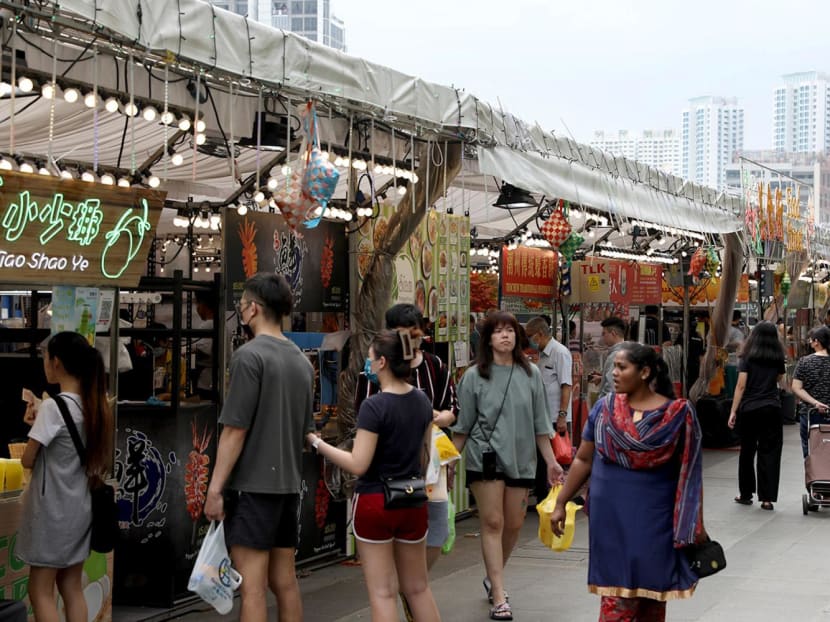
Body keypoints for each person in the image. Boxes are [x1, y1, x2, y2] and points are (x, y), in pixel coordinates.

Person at [551, 342, 703, 622]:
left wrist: (692, 525)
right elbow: (584, 459)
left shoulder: (678, 415)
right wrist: (561, 501)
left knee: (652, 597)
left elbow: (689, 474)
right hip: (610, 519)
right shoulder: (605, 409)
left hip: (656, 519)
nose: (613, 374)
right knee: (615, 598)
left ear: (645, 372)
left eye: (622, 367)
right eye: (613, 367)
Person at [308, 330, 440, 622]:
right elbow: (425, 456)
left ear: (381, 363)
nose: (367, 364)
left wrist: (319, 444)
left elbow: (358, 463)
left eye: (369, 359)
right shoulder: (422, 401)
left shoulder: (374, 406)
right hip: (412, 500)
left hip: (374, 501)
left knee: (382, 593)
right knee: (418, 588)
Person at [204, 273, 315, 622]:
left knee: (251, 587)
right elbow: (305, 431)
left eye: (241, 305)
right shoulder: (301, 360)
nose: (241, 311)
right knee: (285, 582)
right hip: (287, 487)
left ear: (253, 308)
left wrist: (214, 488)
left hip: (252, 487)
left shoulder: (248, 358)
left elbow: (235, 430)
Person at [452, 311, 562, 621]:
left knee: (514, 524)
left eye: (510, 331)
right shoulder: (474, 376)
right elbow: (463, 427)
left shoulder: (531, 375)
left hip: (522, 458)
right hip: (484, 456)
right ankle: (499, 595)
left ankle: (493, 575)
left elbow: (542, 425)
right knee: (493, 522)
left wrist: (552, 462)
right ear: (487, 338)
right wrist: (448, 464)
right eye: (498, 331)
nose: (505, 336)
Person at [18, 332, 114, 622]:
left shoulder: (53, 407)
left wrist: (34, 428)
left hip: (52, 513)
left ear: (56, 362)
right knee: (71, 586)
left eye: (46, 358)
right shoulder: (95, 404)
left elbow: (27, 458)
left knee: (40, 590)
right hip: (81, 509)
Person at [354, 303, 458, 572]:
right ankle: (406, 586)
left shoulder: (435, 365)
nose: (411, 342)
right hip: (386, 465)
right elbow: (363, 412)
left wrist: (437, 416)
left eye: (416, 335)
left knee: (436, 523)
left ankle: (415, 582)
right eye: (404, 335)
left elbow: (453, 409)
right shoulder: (373, 370)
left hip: (432, 461)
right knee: (392, 525)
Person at [727, 321, 787, 510]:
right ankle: (767, 498)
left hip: (750, 409)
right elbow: (779, 378)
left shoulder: (747, 356)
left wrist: (733, 410)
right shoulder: (777, 357)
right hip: (772, 408)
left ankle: (745, 494)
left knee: (747, 451)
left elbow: (741, 385)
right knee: (770, 451)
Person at [525, 316, 572, 502]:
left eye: (531, 336)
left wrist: (562, 416)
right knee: (541, 459)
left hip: (555, 416)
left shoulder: (560, 353)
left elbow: (566, 385)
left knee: (555, 458)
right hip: (542, 415)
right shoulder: (542, 355)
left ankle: (555, 497)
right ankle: (543, 496)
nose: (529, 340)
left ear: (540, 334)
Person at [790, 326, 830, 458]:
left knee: (810, 453)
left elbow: (796, 387)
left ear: (817, 341)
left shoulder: (804, 362)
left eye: (811, 340)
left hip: (810, 413)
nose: (809, 342)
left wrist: (815, 403)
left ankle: (813, 477)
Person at [592, 316, 626, 400]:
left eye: (604, 333)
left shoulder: (615, 356)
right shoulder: (628, 351)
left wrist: (601, 405)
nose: (602, 337)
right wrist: (602, 378)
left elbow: (610, 387)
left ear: (613, 333)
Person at [193, 289, 216, 400]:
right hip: (212, 380)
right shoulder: (219, 323)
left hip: (206, 381)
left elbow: (204, 350)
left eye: (197, 304)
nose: (197, 308)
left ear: (203, 304)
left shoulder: (208, 325)